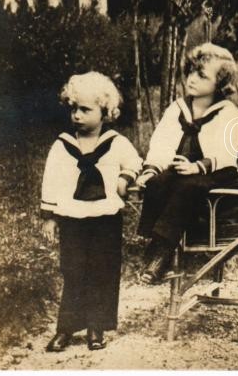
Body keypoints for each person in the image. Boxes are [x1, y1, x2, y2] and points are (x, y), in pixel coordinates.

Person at [40, 72, 142, 352]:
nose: (77, 115)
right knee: (73, 270)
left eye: (85, 109)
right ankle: (66, 328)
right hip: (72, 217)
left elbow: (134, 161)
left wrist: (125, 178)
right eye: (74, 108)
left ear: (105, 112)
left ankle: (97, 327)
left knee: (102, 270)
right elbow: (51, 180)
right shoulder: (63, 145)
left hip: (106, 218)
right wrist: (49, 217)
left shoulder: (116, 142)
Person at [135, 43, 238, 284]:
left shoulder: (228, 112)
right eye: (191, 71)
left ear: (220, 83)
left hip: (215, 171)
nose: (192, 79)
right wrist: (151, 170)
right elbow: (161, 144)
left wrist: (197, 167)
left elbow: (226, 153)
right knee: (159, 182)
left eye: (202, 75)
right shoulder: (177, 109)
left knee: (189, 186)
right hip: (181, 169)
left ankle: (159, 255)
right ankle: (155, 243)